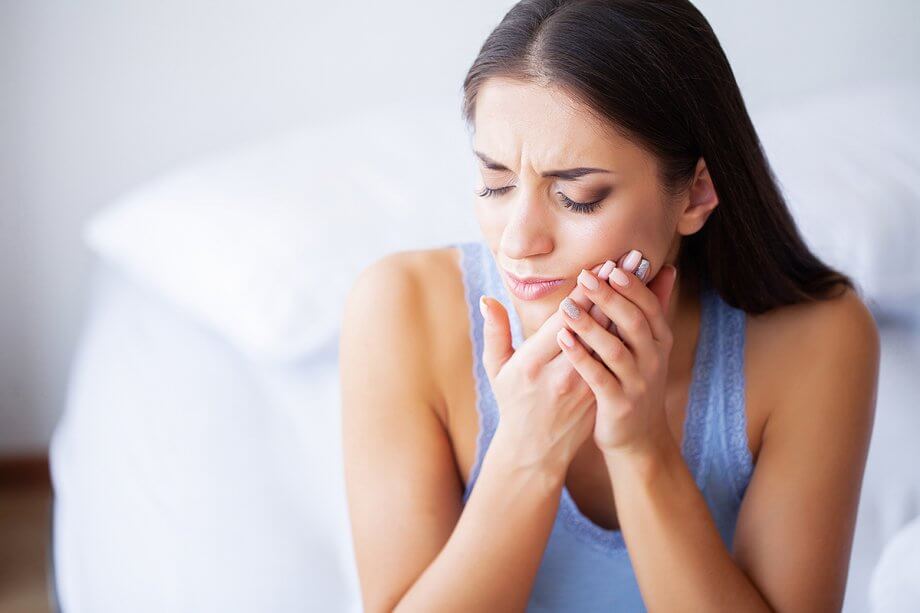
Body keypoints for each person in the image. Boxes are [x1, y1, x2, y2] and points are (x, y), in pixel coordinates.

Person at [339, 1, 880, 611]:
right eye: (495, 183)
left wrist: (641, 448)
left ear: (696, 192)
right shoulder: (400, 309)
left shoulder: (817, 337)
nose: (518, 242)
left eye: (577, 197)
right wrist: (527, 449)